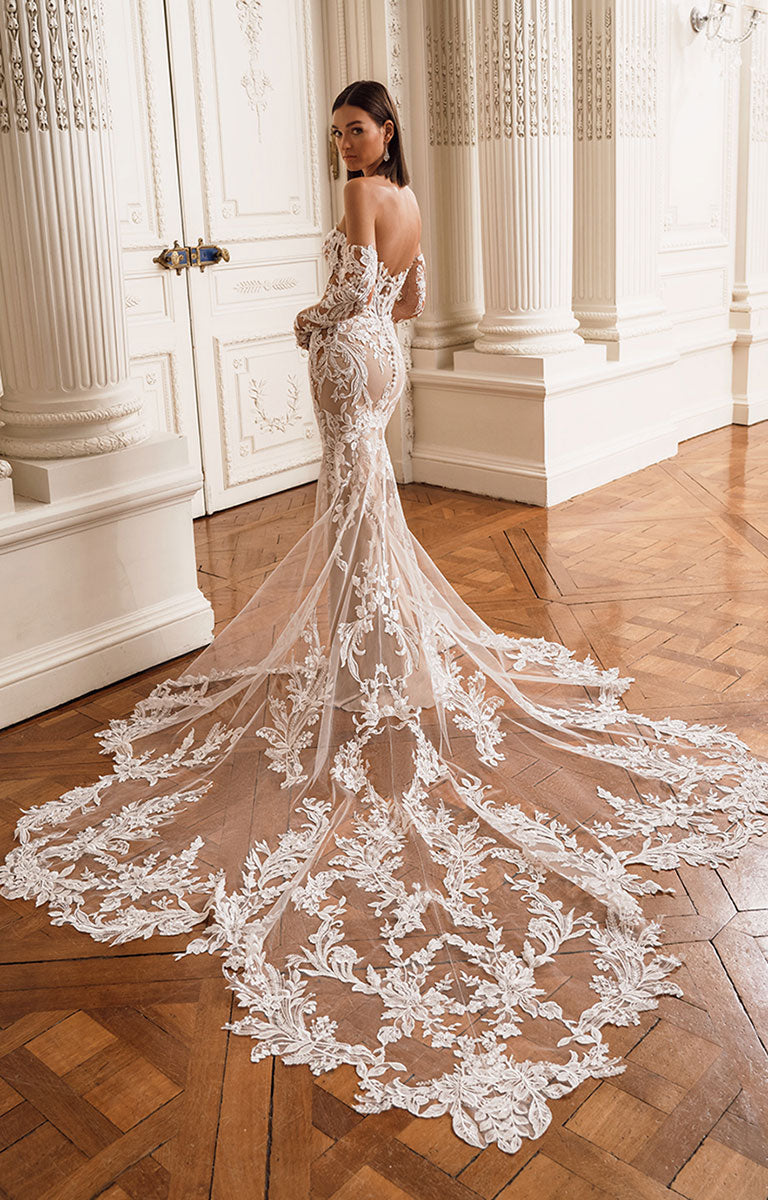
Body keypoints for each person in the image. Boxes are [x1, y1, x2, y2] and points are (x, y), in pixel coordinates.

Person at [1, 80, 766, 1156]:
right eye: (337, 135)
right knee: (369, 510)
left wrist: (306, 319)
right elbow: (409, 302)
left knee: (355, 507)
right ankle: (379, 655)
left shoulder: (365, 195)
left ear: (385, 129)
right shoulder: (412, 197)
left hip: (351, 360)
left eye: (356, 130)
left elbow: (357, 294)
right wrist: (358, 326)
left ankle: (371, 661)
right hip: (385, 368)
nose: (346, 147)